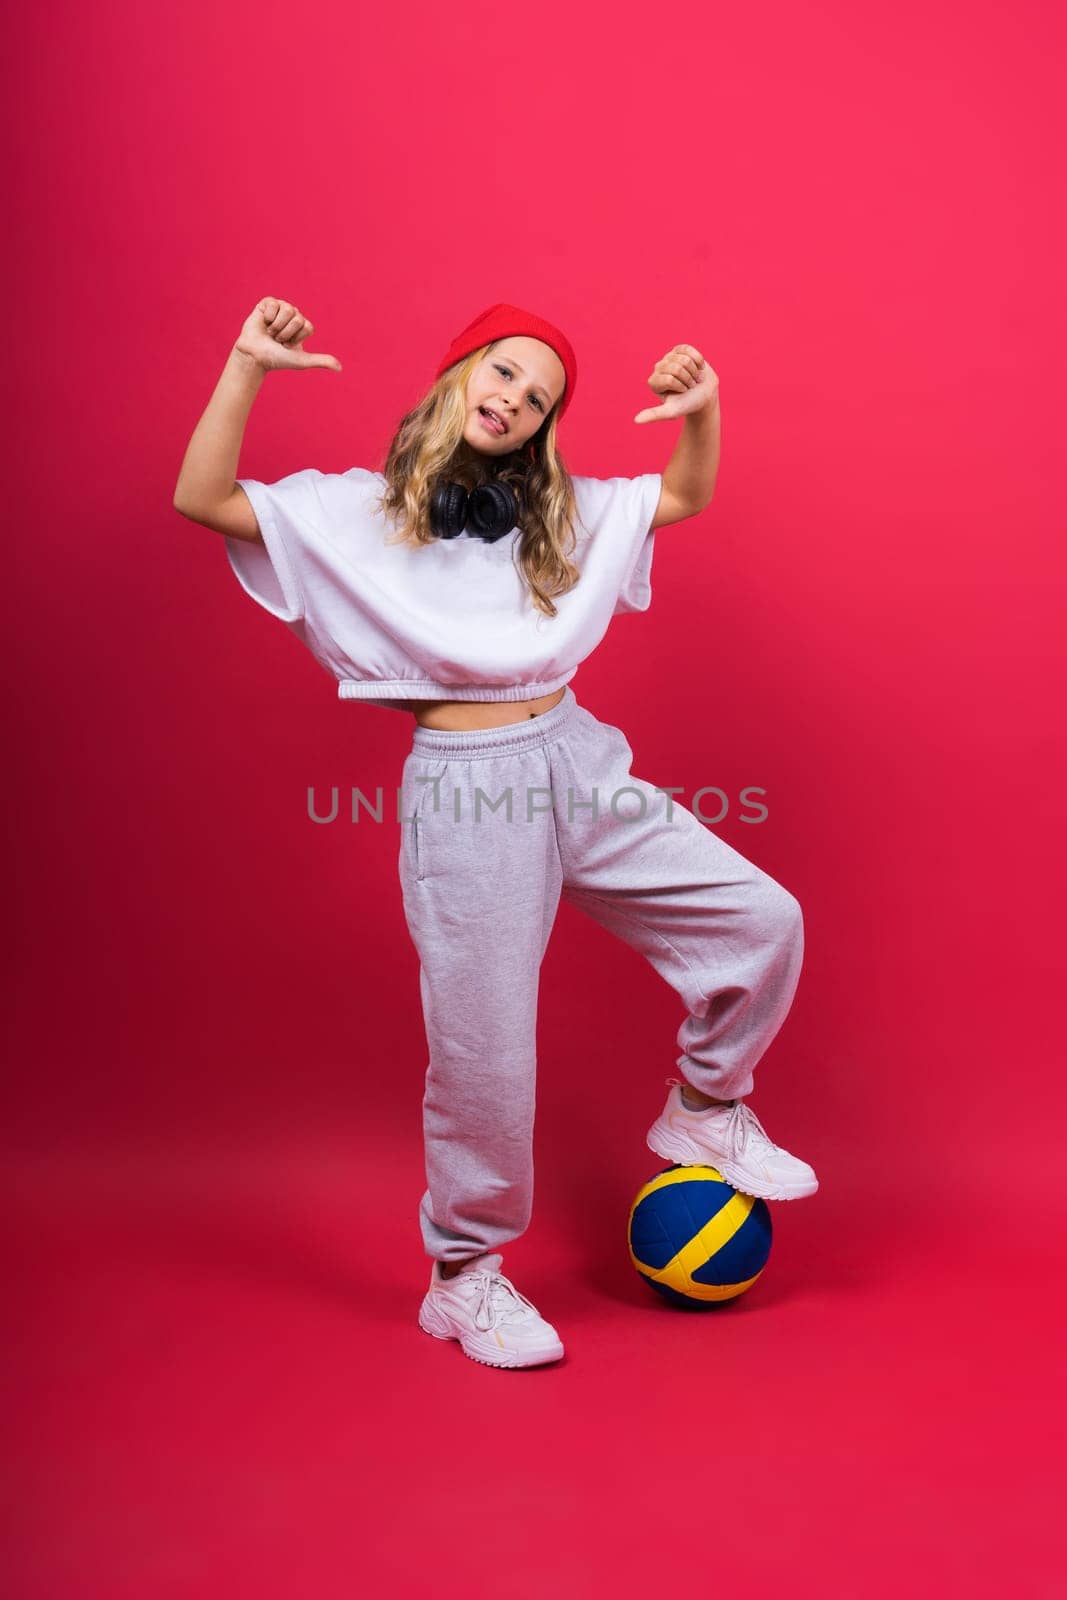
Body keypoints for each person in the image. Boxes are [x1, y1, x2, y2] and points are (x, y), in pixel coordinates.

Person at [173, 296, 818, 1372]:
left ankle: (705, 1107)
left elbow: (685, 494)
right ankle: (464, 1277)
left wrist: (700, 411)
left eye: (537, 396)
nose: (513, 397)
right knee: (485, 1054)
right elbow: (201, 497)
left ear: (542, 425)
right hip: (467, 790)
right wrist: (245, 364)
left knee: (760, 918)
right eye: (504, 371)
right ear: (459, 369)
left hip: (574, 752)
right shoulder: (354, 512)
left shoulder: (560, 513)